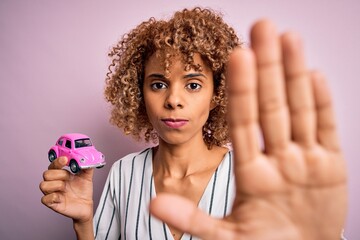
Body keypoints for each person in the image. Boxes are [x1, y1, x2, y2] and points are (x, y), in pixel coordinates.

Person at [40, 7, 347, 240]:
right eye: (158, 84)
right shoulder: (124, 173)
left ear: (218, 94)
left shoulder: (256, 178)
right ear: (138, 93)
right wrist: (83, 223)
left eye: (193, 85)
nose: (174, 100)